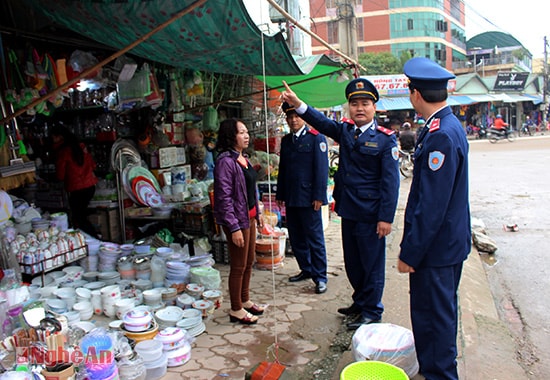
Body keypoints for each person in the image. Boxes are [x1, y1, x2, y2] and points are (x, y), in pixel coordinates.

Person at [281, 78, 400, 330]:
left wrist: (386, 218)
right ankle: (359, 302)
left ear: (374, 108)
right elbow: (321, 122)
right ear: (348, 107)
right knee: (353, 263)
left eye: (365, 103)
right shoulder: (345, 131)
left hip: (371, 215)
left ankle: (372, 310)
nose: (359, 108)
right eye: (354, 103)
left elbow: (391, 184)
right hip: (348, 209)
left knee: (371, 264)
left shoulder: (386, 140)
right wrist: (299, 104)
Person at [398, 57, 471, 380]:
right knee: (433, 317)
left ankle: (441, 375)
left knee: (435, 320)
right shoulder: (442, 127)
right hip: (443, 247)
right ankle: (433, 371)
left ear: (415, 94)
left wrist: (410, 252)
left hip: (436, 250)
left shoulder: (441, 134)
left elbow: (431, 206)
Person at [213, 118, 264, 325]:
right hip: (236, 220)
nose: (246, 135)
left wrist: (259, 216)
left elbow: (251, 190)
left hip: (249, 217)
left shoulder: (244, 158)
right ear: (230, 136)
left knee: (249, 261)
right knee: (238, 265)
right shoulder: (225, 162)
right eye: (241, 132)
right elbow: (223, 198)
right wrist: (233, 228)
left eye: (246, 131)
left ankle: (245, 299)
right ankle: (236, 309)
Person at [276, 102, 329, 294]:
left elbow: (322, 170)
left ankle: (320, 276)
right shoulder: (287, 141)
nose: (293, 120)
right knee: (297, 237)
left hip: (308, 198)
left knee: (314, 238)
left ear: (303, 117)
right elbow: (283, 170)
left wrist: (319, 196)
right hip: (291, 197)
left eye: (296, 116)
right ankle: (306, 269)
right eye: (290, 117)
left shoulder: (317, 138)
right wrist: (280, 193)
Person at [50, 124, 98, 237]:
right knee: (81, 216)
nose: (52, 140)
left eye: (53, 137)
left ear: (59, 137)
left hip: (77, 189)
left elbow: (60, 175)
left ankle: (93, 239)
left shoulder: (63, 152)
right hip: (90, 186)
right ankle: (91, 239)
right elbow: (93, 165)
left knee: (78, 218)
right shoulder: (81, 147)